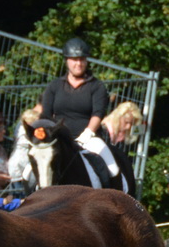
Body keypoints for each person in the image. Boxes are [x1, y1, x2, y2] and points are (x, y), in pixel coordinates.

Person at [38, 37, 120, 181]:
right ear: (67, 61)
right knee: (28, 172)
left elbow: (98, 113)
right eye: (74, 59)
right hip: (59, 138)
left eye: (82, 59)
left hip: (87, 138)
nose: (78, 63)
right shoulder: (54, 86)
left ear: (86, 61)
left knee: (112, 169)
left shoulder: (97, 86)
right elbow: (45, 115)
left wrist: (87, 132)